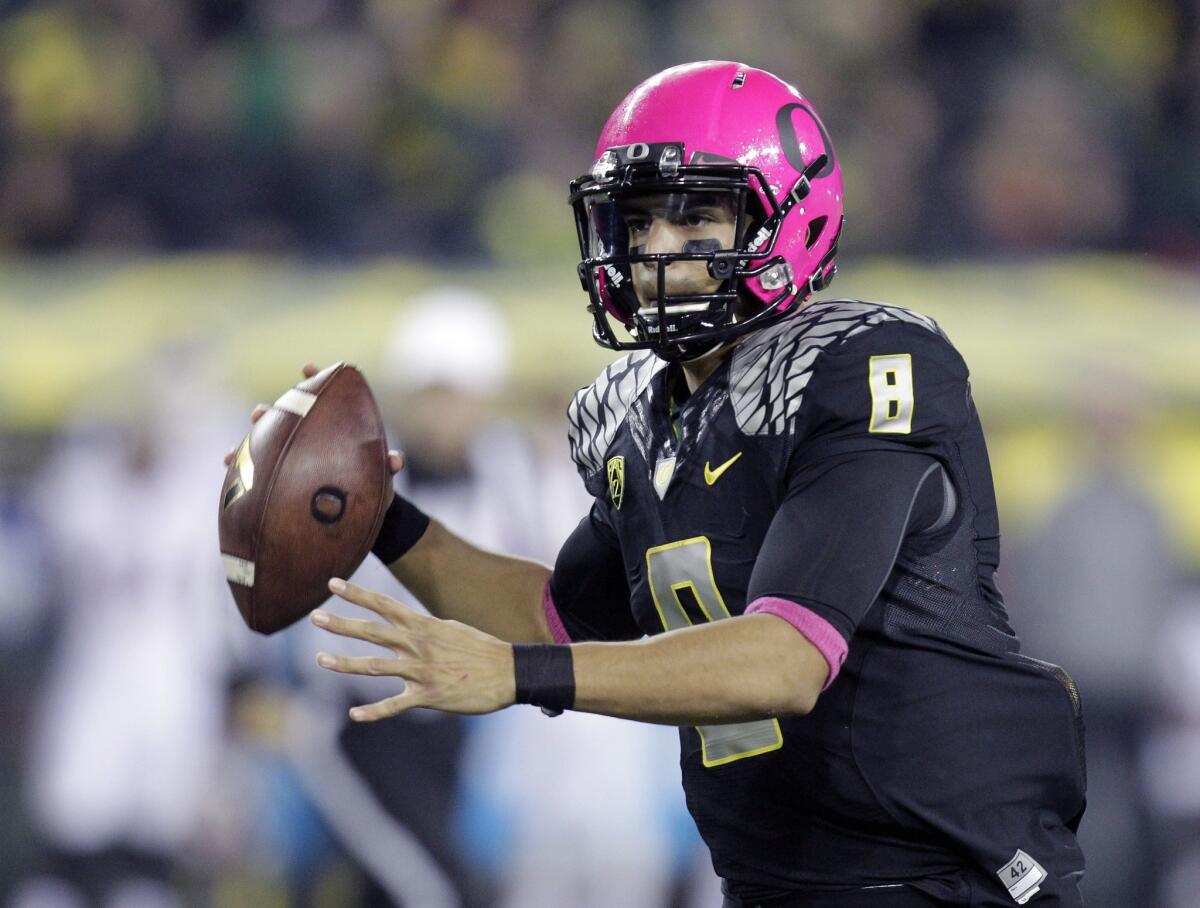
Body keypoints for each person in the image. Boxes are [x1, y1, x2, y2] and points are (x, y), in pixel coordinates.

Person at [238, 62, 1086, 906]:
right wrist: (384, 520)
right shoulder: (646, 417)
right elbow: (556, 618)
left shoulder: (860, 369)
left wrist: (516, 674)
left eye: (697, 216)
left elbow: (785, 661)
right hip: (783, 880)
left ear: (785, 214)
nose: (655, 249)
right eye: (638, 220)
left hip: (950, 874)